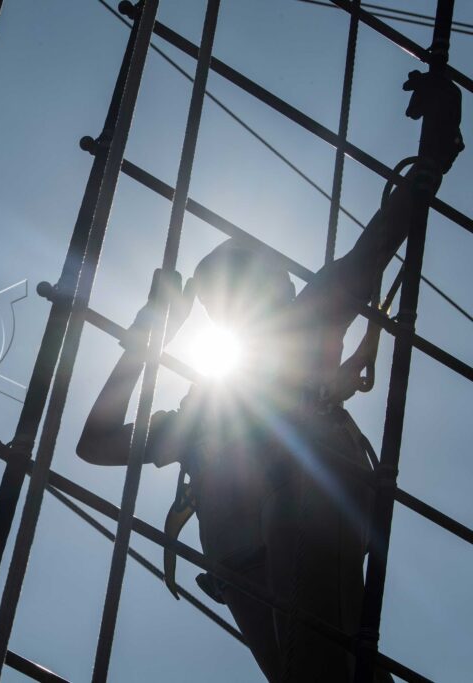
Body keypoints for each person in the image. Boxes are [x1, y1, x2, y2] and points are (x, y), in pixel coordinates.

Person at [77, 69, 462, 682]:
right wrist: (151, 337)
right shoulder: (206, 414)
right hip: (245, 562)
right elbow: (94, 444)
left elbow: (377, 246)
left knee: (320, 668)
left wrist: (434, 158)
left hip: (307, 492)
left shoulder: (304, 323)